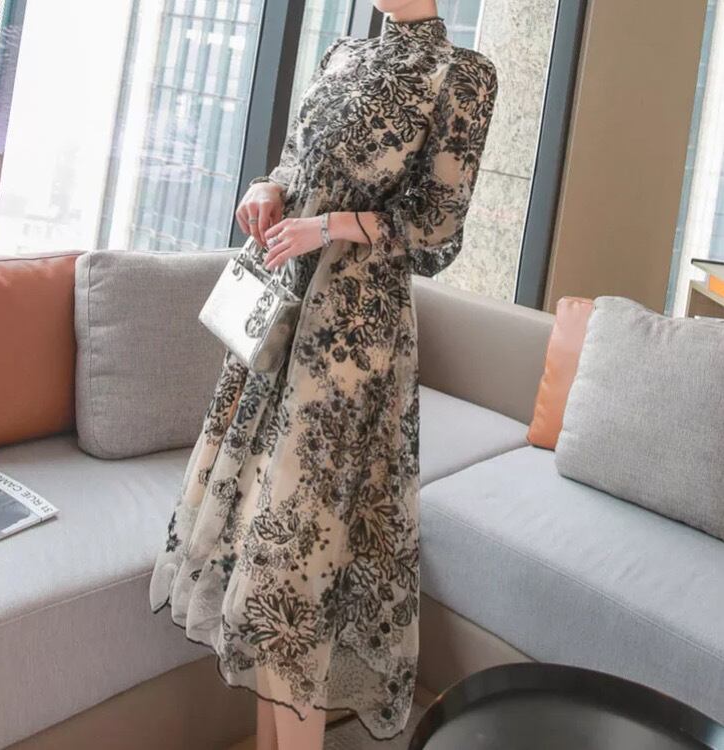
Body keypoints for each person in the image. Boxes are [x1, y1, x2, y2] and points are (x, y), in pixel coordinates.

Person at [149, 0, 497, 747]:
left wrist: (328, 226)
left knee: (292, 566)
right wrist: (266, 188)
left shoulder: (462, 75)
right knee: (261, 560)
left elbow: (438, 230)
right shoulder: (342, 53)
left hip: (351, 339)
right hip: (279, 314)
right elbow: (295, 161)